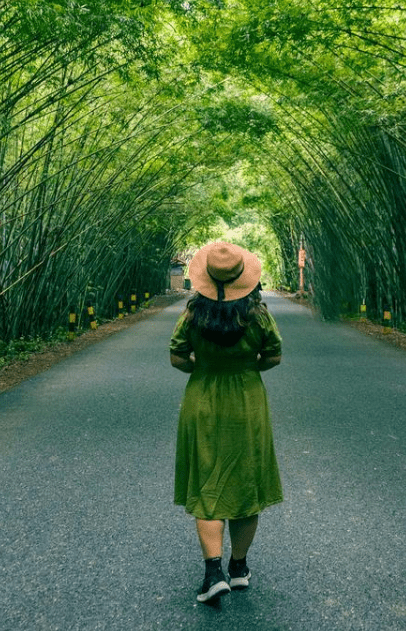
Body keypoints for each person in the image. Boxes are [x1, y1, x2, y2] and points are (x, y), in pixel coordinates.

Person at [169, 242, 284, 604]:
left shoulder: (192, 314)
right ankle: (238, 568)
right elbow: (274, 356)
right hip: (247, 400)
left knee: (208, 484)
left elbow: (177, 357)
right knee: (245, 482)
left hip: (203, 398)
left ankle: (212, 573)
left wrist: (201, 366)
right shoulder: (259, 315)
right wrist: (247, 366)